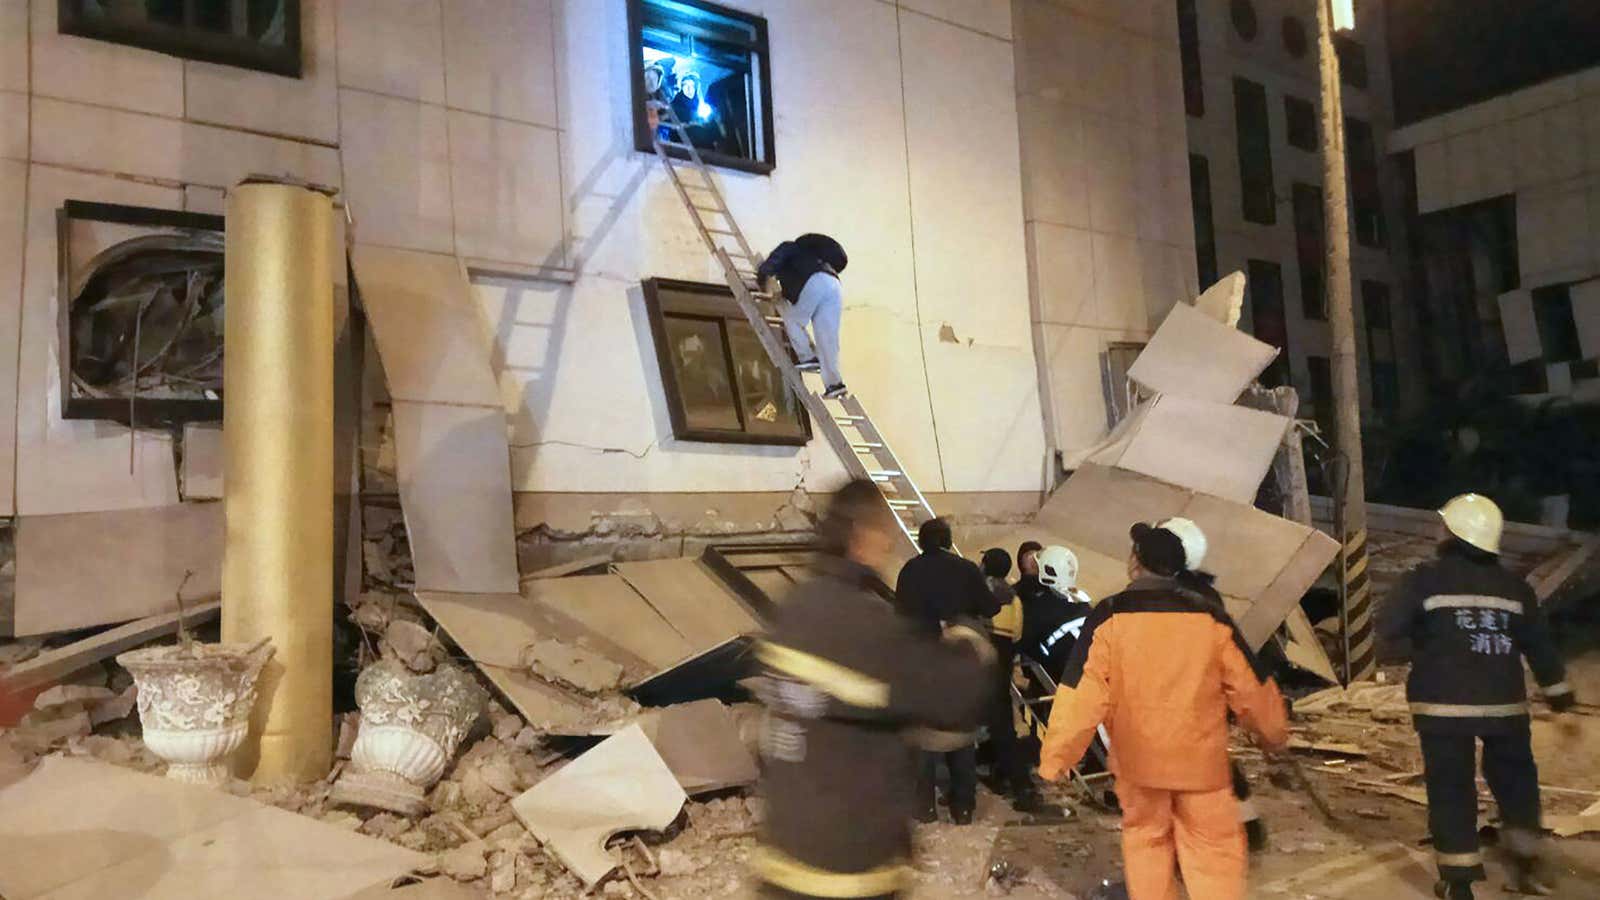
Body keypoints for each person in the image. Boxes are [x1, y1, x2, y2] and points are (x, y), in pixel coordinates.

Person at [752, 480, 996, 899]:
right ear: (862, 535)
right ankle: (962, 803)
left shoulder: (793, 609)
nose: (888, 543)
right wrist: (970, 644)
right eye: (885, 530)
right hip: (848, 868)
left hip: (783, 854)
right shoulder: (861, 626)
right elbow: (955, 697)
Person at [1038, 518, 1289, 900]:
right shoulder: (1209, 617)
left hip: (1140, 765)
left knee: (1147, 848)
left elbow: (1080, 693)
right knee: (1213, 855)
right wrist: (1272, 735)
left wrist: (1056, 758)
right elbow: (1250, 685)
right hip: (1201, 766)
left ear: (1135, 562)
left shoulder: (1109, 616)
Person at [1377, 494, 1577, 900]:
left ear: (1450, 533)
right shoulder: (1514, 588)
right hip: (1504, 708)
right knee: (1517, 786)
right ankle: (1528, 871)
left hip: (1441, 707)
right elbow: (1540, 648)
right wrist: (1561, 700)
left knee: (1451, 788)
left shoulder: (1422, 580)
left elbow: (1387, 635)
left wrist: (1427, 651)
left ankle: (1459, 882)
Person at [895, 517, 997, 824]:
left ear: (922, 541)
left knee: (924, 733)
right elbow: (990, 606)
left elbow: (899, 614)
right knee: (962, 732)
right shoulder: (966, 569)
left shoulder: (910, 570)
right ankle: (962, 807)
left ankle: (924, 806)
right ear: (949, 540)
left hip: (921, 660)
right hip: (961, 660)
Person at [979, 548, 1053, 815]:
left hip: (981, 662)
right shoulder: (1014, 598)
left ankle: (1019, 786)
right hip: (1003, 664)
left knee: (988, 726)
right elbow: (1018, 635)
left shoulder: (979, 592)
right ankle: (1008, 777)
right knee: (1002, 725)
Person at [757, 233, 849, 400]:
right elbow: (797, 291)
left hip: (815, 281)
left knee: (792, 319)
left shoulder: (789, 248)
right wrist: (781, 295)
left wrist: (762, 277)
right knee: (827, 337)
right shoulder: (810, 260)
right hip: (834, 285)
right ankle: (834, 384)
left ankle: (807, 357)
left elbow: (770, 265)